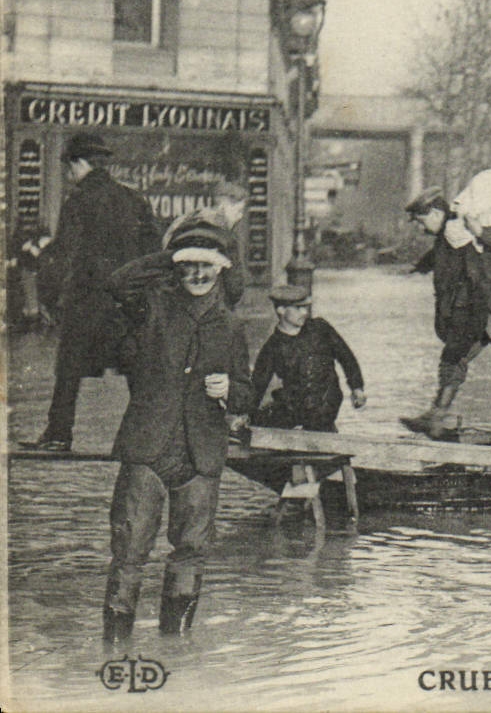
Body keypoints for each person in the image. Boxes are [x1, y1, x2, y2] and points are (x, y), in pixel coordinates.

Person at [101, 222, 253, 645]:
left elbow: (247, 393)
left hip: (199, 454)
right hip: (148, 447)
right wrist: (173, 254)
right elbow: (118, 283)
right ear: (177, 269)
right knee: (129, 550)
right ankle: (114, 646)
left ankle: (177, 649)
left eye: (207, 265)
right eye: (189, 266)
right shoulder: (153, 307)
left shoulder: (231, 325)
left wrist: (231, 390)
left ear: (221, 269)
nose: (198, 275)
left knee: (191, 552)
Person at [23, 133, 160, 453]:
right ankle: (152, 435)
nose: (69, 174)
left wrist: (48, 294)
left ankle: (58, 435)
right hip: (127, 303)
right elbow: (153, 252)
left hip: (86, 304)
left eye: (69, 168)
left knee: (68, 370)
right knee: (136, 370)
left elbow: (63, 256)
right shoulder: (134, 200)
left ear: (79, 163)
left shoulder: (78, 202)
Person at [405, 188, 491, 450]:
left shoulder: (468, 223)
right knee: (453, 357)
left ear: (436, 213)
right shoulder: (446, 235)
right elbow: (447, 256)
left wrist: (481, 232)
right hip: (478, 313)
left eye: (422, 222)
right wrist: (422, 265)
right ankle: (436, 418)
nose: (421, 229)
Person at [251, 283, 367, 433]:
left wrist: (357, 388)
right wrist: (245, 414)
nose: (304, 312)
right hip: (295, 410)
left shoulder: (320, 329)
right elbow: (257, 385)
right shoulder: (273, 346)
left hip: (326, 407)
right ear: (281, 310)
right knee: (262, 418)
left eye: (305, 307)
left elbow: (346, 357)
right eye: (298, 308)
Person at [162, 179, 250, 308]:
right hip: (212, 307)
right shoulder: (223, 235)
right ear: (223, 207)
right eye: (239, 210)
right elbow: (234, 288)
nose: (240, 216)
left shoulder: (185, 222)